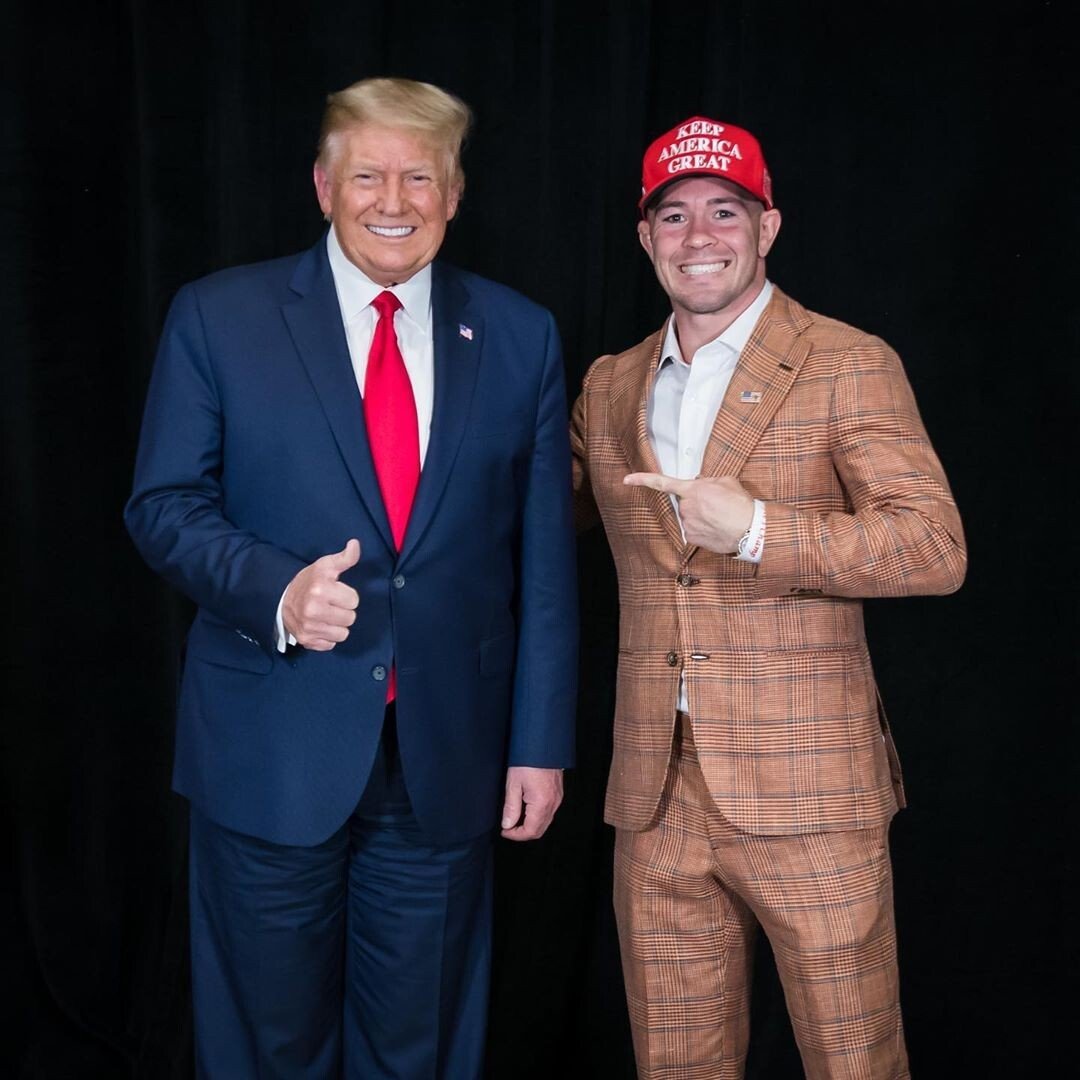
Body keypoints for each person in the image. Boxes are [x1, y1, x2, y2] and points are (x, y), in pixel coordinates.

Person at [125, 77, 577, 1078]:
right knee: (267, 1042)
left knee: (417, 1045)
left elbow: (543, 566)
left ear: (455, 194)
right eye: (368, 174)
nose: (394, 200)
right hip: (268, 744)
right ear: (323, 184)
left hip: (445, 761)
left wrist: (539, 744)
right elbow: (161, 506)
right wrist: (275, 590)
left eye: (422, 176)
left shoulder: (519, 334)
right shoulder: (219, 317)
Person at [571, 116, 966, 1079]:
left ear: (768, 227)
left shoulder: (845, 360)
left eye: (724, 211)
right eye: (674, 215)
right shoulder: (610, 384)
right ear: (644, 237)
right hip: (654, 796)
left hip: (811, 794)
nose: (699, 235)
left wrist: (754, 531)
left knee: (854, 1060)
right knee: (675, 1064)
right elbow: (531, 530)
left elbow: (934, 546)